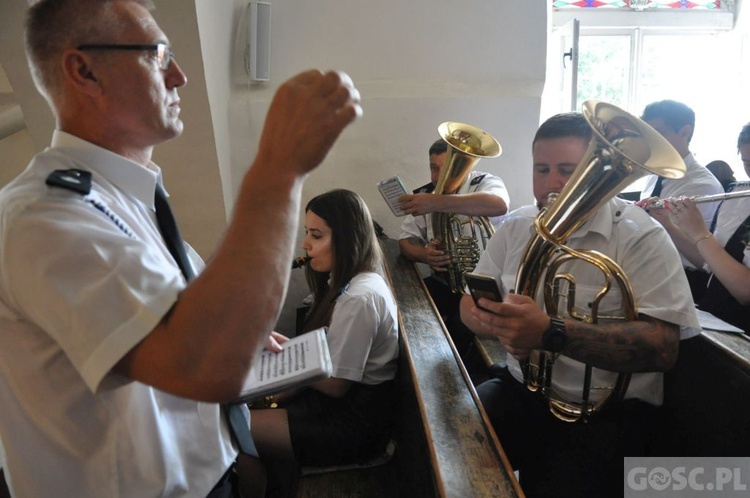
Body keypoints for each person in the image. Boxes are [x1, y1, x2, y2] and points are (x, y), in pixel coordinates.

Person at [0, 0, 361, 496]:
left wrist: (243, 342)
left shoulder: (131, 198)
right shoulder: (45, 216)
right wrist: (278, 168)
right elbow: (201, 362)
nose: (181, 77)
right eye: (158, 54)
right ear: (84, 69)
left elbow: (194, 327)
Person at [459, 112, 700, 498]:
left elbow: (662, 347)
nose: (552, 183)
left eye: (567, 169)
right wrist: (496, 325)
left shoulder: (642, 237)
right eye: (542, 169)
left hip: (608, 414)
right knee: (452, 436)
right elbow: (469, 305)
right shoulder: (518, 226)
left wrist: (549, 333)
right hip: (525, 389)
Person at [249, 189, 399, 493]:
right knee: (239, 417)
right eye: (307, 233)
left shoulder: (359, 298)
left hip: (352, 423)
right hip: (335, 406)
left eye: (316, 235)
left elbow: (335, 384)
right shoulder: (351, 282)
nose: (305, 244)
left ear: (347, 238)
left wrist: (284, 358)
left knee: (231, 427)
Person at [398, 138, 509, 359]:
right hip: (446, 282)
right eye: (434, 168)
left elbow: (499, 205)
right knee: (407, 315)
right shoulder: (426, 194)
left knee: (459, 330)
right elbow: (405, 240)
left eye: (448, 168)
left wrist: (437, 202)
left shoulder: (484, 182)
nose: (438, 176)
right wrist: (425, 255)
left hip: (485, 287)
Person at [656, 123, 750, 334]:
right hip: (714, 320)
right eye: (747, 163)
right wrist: (668, 224)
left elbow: (745, 291)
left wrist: (700, 233)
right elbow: (710, 263)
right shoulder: (740, 194)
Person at [637, 100, 723, 300]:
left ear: (684, 132)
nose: (650, 142)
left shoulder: (703, 185)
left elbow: (700, 258)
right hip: (651, 269)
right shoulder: (654, 174)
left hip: (683, 280)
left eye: (658, 133)